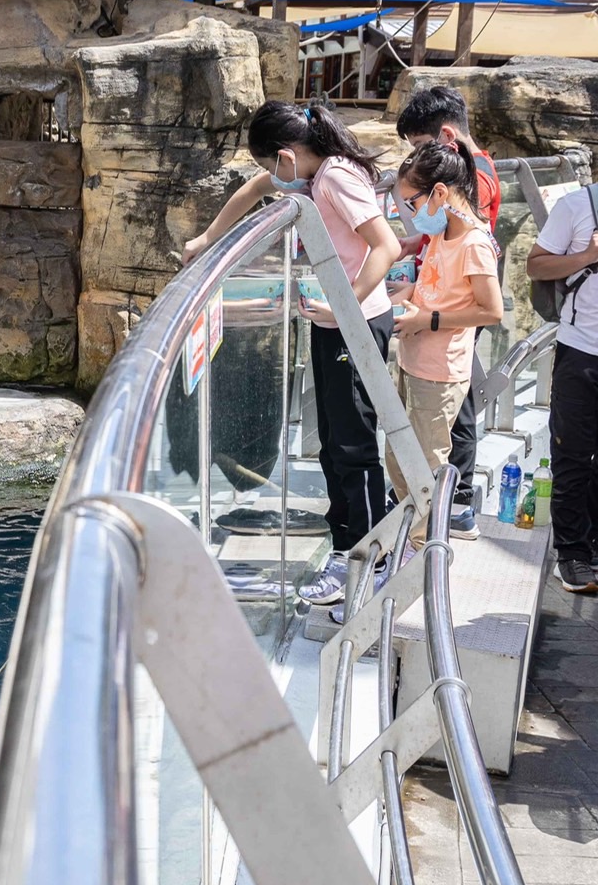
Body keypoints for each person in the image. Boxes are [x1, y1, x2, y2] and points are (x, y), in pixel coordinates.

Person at [184, 102, 402, 605]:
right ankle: (349, 541)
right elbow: (256, 189)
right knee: (332, 439)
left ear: (287, 154)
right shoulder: (312, 172)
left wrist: (345, 306)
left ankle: (368, 557)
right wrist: (208, 237)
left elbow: (385, 246)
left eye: (270, 166)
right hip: (335, 322)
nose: (269, 178)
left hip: (355, 323)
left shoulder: (334, 179)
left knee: (352, 444)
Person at [395, 86, 504, 538]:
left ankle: (440, 520)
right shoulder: (443, 229)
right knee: (414, 445)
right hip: (422, 349)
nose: (412, 212)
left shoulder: (467, 214)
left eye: (423, 150)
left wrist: (429, 319)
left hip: (442, 351)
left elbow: (489, 308)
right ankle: (420, 523)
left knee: (440, 436)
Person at [527, 184, 598, 593]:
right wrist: (588, 256)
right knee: (572, 454)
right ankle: (571, 553)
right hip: (581, 350)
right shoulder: (578, 205)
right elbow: (536, 266)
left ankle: (592, 544)